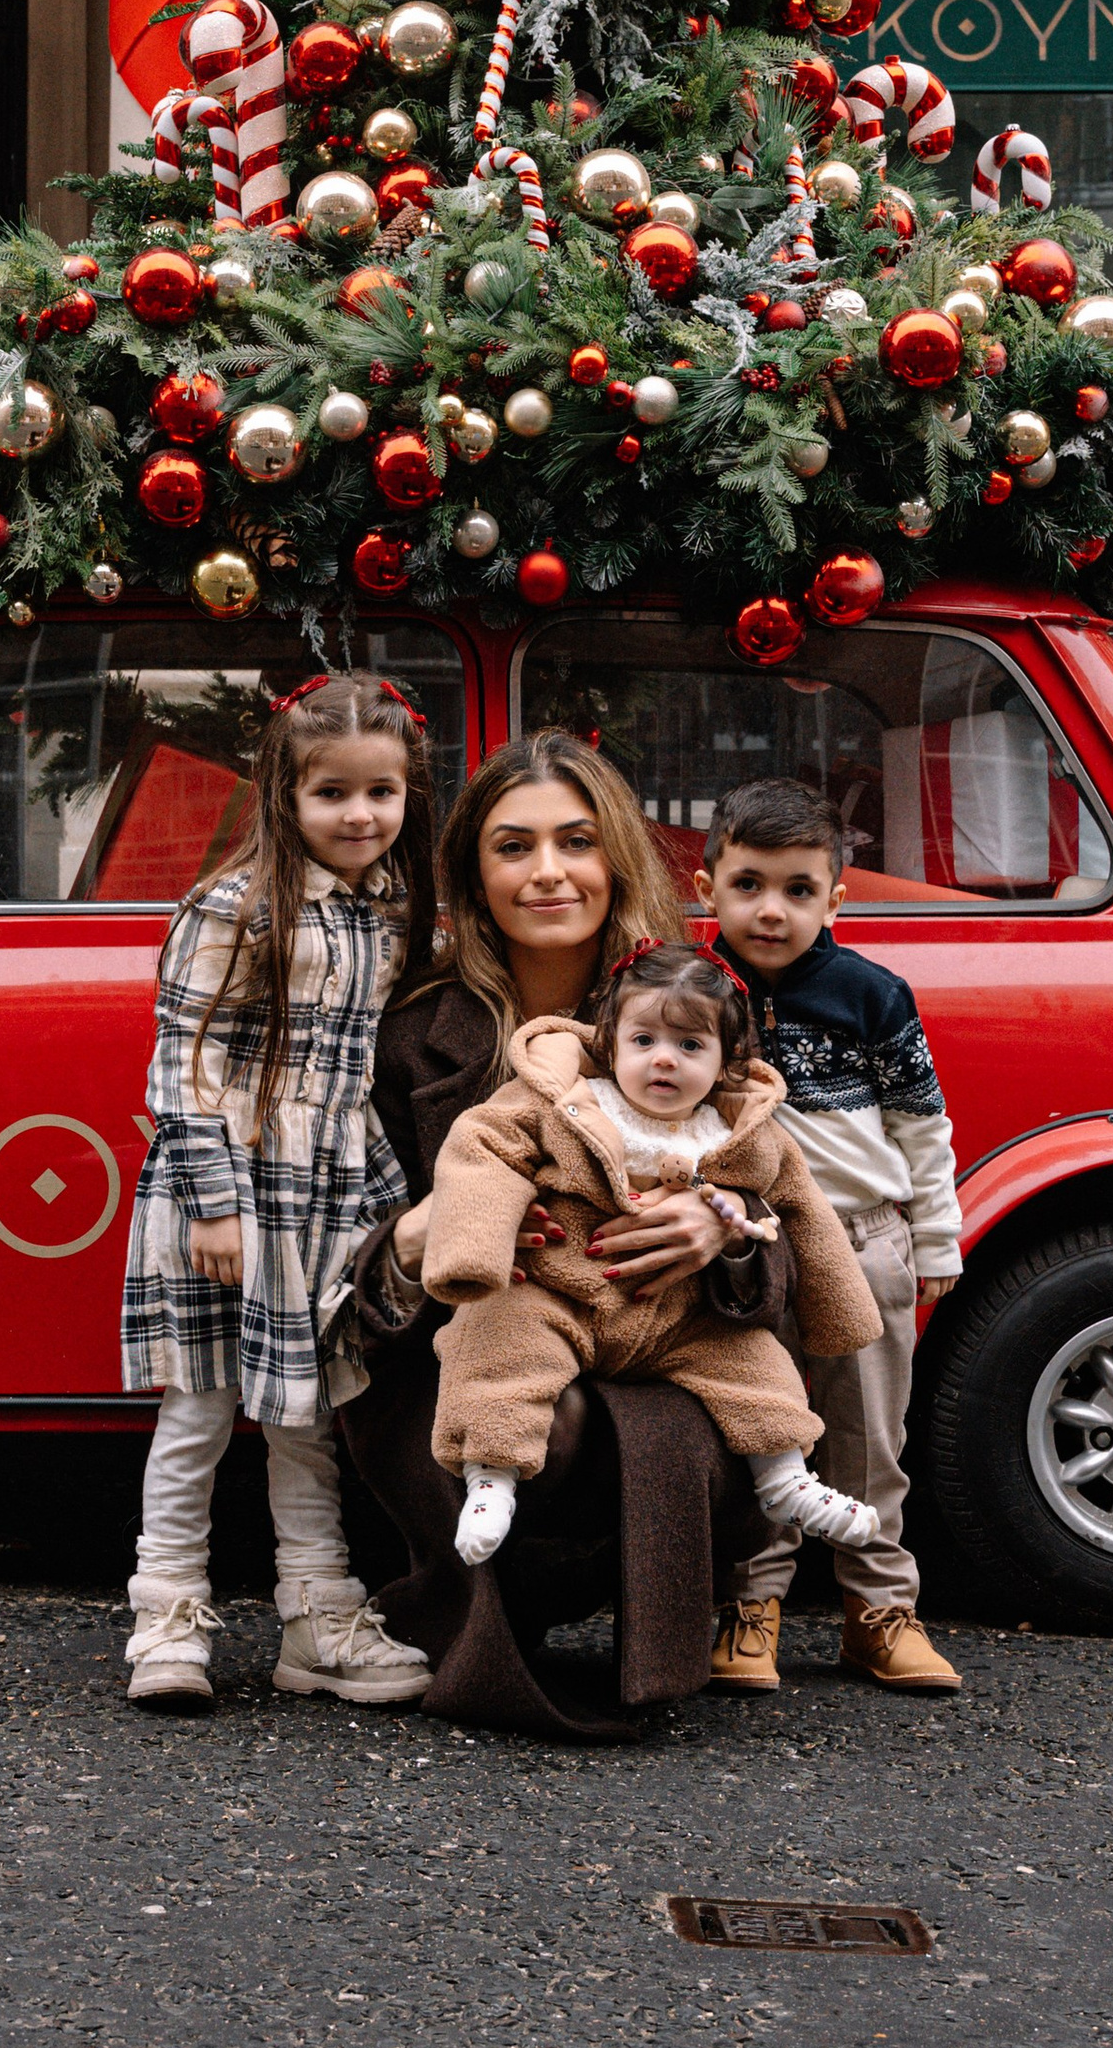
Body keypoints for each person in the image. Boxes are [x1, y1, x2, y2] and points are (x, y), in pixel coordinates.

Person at [340, 733, 794, 1738]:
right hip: (461, 1353)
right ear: (473, 873)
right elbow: (353, 1275)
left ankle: (656, 1619)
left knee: (667, 1424)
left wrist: (717, 1230)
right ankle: (496, 1606)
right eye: (513, 847)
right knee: (552, 1423)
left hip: (662, 1347)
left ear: (614, 858)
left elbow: (786, 1235)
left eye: (575, 841)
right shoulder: (415, 1032)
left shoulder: (686, 1006)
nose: (547, 871)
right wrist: (426, 1235)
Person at [118, 672, 441, 1715]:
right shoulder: (235, 906)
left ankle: (315, 1615)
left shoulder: (392, 906)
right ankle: (164, 1618)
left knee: (310, 1419)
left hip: (325, 1198)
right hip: (233, 1199)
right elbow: (185, 1066)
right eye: (332, 793)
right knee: (200, 1411)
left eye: (380, 792)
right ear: (284, 796)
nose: (359, 815)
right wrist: (215, 1203)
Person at [422, 942, 884, 1566]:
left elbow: (803, 1210)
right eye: (644, 1041)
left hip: (675, 1315)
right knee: (499, 1337)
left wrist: (837, 1312)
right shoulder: (566, 1100)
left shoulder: (740, 1133)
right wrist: (474, 1251)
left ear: (726, 1064)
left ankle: (785, 1479)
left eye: (691, 1046)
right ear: (611, 1044)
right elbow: (483, 1148)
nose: (664, 1059)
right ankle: (490, 1474)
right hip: (563, 1290)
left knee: (757, 1366)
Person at [697, 779, 967, 1698]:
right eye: (748, 885)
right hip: (749, 1248)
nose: (770, 909)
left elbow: (921, 1125)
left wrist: (937, 1240)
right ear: (711, 885)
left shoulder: (872, 994)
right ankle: (750, 1607)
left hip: (865, 1240)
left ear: (835, 898)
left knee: (866, 1442)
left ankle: (879, 1613)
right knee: (759, 1431)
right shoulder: (694, 988)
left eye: (798, 889)